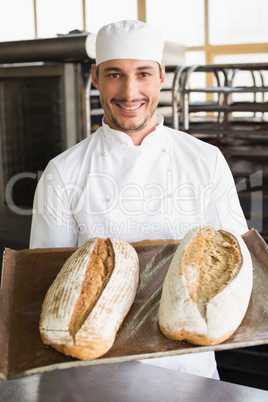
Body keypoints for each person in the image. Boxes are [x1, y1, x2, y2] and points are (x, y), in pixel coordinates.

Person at [30, 20, 248, 379]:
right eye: (115, 75)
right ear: (96, 78)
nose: (130, 92)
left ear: (161, 76)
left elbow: (238, 271)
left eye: (143, 74)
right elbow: (45, 285)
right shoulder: (63, 172)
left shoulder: (204, 160)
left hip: (188, 367)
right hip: (93, 374)